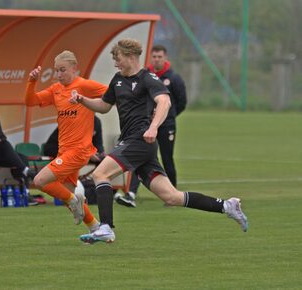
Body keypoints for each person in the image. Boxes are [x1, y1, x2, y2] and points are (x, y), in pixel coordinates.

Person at [69, 39, 248, 244]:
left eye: (117, 58)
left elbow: (164, 101)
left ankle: (106, 227)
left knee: (101, 173)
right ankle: (227, 206)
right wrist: (82, 100)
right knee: (171, 196)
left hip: (139, 140)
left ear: (130, 57)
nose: (115, 63)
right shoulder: (117, 80)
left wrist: (153, 127)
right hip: (135, 143)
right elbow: (103, 105)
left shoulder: (148, 78)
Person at [24, 50, 107, 232]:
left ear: (74, 68)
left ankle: (73, 200)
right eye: (56, 70)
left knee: (40, 181)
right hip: (65, 151)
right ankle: (97, 229)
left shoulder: (84, 85)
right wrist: (32, 81)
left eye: (63, 70)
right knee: (65, 190)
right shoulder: (56, 90)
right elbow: (30, 101)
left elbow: (110, 93)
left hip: (79, 151)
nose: (59, 74)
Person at [115, 44, 187, 208]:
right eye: (154, 56)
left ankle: (173, 195)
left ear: (165, 58)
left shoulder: (173, 78)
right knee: (138, 157)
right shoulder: (144, 76)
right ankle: (131, 194)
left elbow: (181, 102)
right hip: (146, 125)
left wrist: (169, 117)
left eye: (159, 57)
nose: (156, 60)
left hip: (166, 125)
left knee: (167, 158)